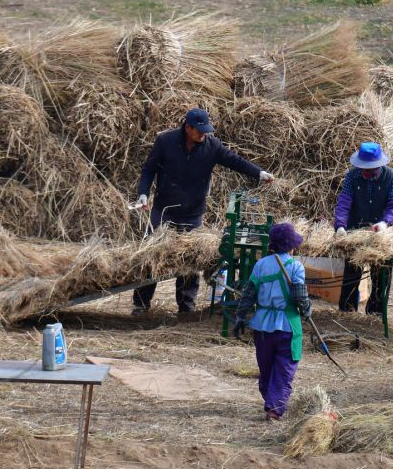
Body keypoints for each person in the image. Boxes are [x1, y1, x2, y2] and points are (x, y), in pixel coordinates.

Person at [133, 108, 274, 316]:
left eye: (206, 130)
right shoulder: (165, 141)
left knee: (191, 259)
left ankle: (186, 306)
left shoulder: (212, 146)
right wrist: (143, 193)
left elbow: (235, 161)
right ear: (187, 127)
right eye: (200, 130)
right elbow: (149, 169)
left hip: (192, 213)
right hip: (164, 211)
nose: (203, 134)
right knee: (152, 256)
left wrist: (259, 173)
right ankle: (141, 304)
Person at [234, 223, 311, 421]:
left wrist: (240, 316)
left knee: (266, 366)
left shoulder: (260, 265)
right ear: (291, 247)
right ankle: (274, 408)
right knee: (284, 367)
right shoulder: (295, 266)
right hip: (288, 326)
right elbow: (300, 297)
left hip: (262, 327)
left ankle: (271, 400)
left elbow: (248, 294)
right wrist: (307, 311)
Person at [333, 142, 393, 314]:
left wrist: (385, 223)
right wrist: (340, 226)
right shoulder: (352, 176)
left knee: (381, 274)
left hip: (380, 233)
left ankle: (375, 314)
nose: (367, 172)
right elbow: (344, 203)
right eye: (364, 169)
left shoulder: (391, 176)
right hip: (355, 229)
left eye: (371, 169)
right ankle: (347, 312)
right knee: (351, 273)